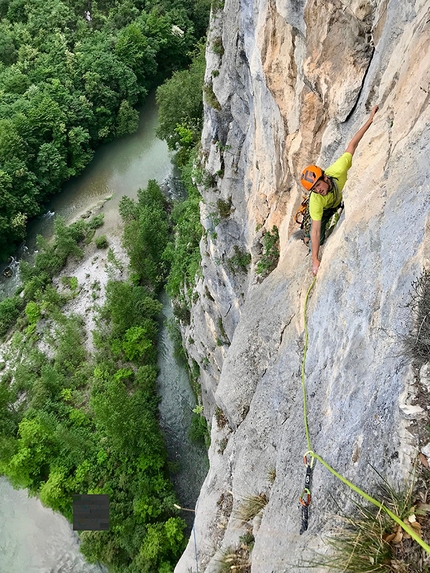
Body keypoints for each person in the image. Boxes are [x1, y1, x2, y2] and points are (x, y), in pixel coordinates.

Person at [300, 105, 379, 276]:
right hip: (326, 209)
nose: (318, 190)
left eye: (318, 185)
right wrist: (315, 259)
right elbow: (315, 229)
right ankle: (304, 237)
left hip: (338, 199)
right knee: (317, 238)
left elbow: (352, 145)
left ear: (325, 178)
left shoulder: (336, 171)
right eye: (314, 189)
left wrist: (370, 120)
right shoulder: (316, 200)